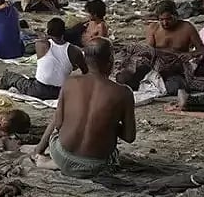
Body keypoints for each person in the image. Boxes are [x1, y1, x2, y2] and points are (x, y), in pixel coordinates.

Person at [34, 39, 136, 179]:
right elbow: (130, 137)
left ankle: (43, 155)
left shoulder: (70, 82)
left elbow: (58, 124)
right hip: (96, 166)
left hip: (61, 155)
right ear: (110, 61)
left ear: (84, 60)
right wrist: (107, 122)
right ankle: (61, 164)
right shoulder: (124, 92)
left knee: (59, 115)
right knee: (110, 155)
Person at [0, 18, 86, 100]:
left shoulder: (40, 45)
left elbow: (44, 42)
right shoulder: (75, 51)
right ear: (64, 31)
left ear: (48, 31)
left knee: (10, 76)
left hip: (38, 90)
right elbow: (85, 70)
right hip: (60, 92)